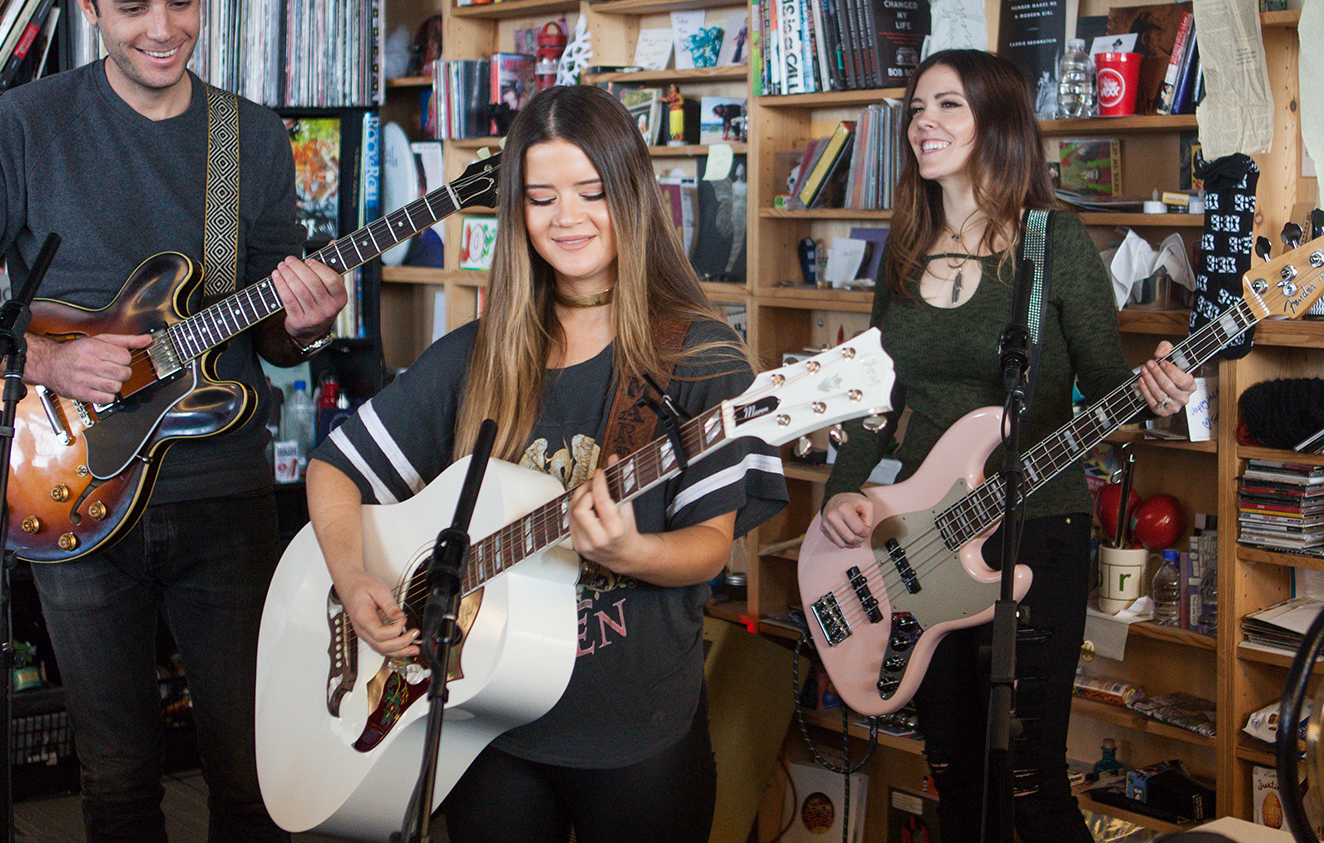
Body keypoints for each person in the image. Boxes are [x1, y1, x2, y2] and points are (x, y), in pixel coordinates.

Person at [0, 1, 347, 841]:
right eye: (133, 6)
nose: (162, 27)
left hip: (222, 492)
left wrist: (307, 322)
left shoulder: (247, 136)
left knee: (256, 770)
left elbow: (273, 334)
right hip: (73, 485)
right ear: (91, 9)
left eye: (182, 3)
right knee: (118, 773)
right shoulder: (30, 122)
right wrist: (46, 360)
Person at [305, 84, 787, 843]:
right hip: (484, 725)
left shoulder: (698, 356)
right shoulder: (481, 353)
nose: (566, 217)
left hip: (636, 733)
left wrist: (633, 550)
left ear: (631, 195)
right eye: (540, 197)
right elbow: (335, 466)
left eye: (591, 191)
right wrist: (352, 574)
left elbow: (709, 546)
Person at [816, 50, 1195, 843]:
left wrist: (1157, 391)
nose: (924, 123)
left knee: (1029, 778)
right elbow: (878, 402)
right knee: (953, 771)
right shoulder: (907, 247)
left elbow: (1104, 382)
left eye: (948, 105)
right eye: (916, 108)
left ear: (999, 122)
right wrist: (844, 494)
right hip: (919, 539)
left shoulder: (1054, 244)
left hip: (1036, 528)